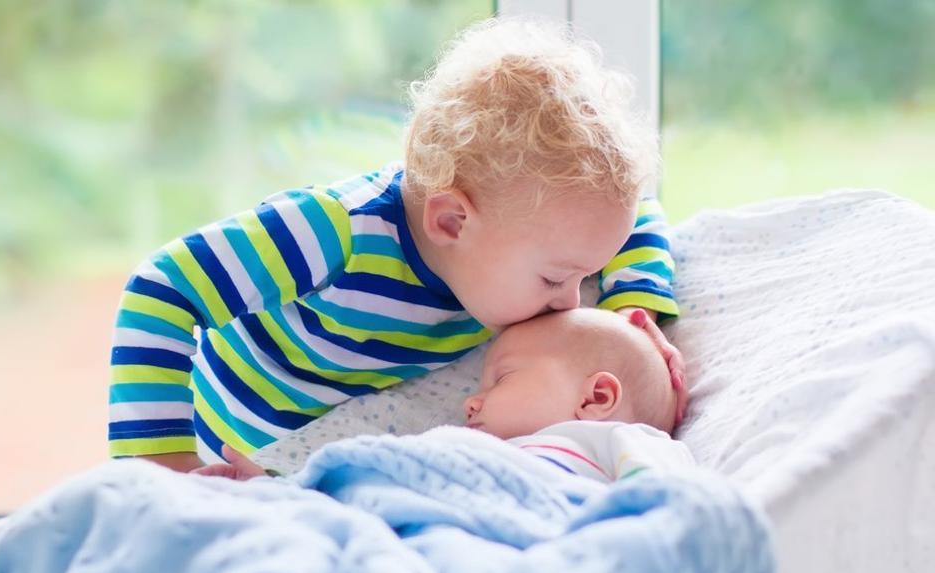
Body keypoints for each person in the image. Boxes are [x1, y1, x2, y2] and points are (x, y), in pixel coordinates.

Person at [109, 18, 687, 473]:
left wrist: (631, 319)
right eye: (555, 278)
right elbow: (160, 290)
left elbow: (632, 215)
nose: (570, 302)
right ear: (453, 222)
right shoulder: (334, 233)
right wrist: (164, 464)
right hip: (225, 445)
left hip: (310, 465)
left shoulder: (529, 227)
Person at [196, 307, 695, 484]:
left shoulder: (620, 444)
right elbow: (374, 484)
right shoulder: (461, 449)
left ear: (596, 398)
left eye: (500, 380)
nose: (469, 403)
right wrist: (280, 490)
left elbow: (678, 512)